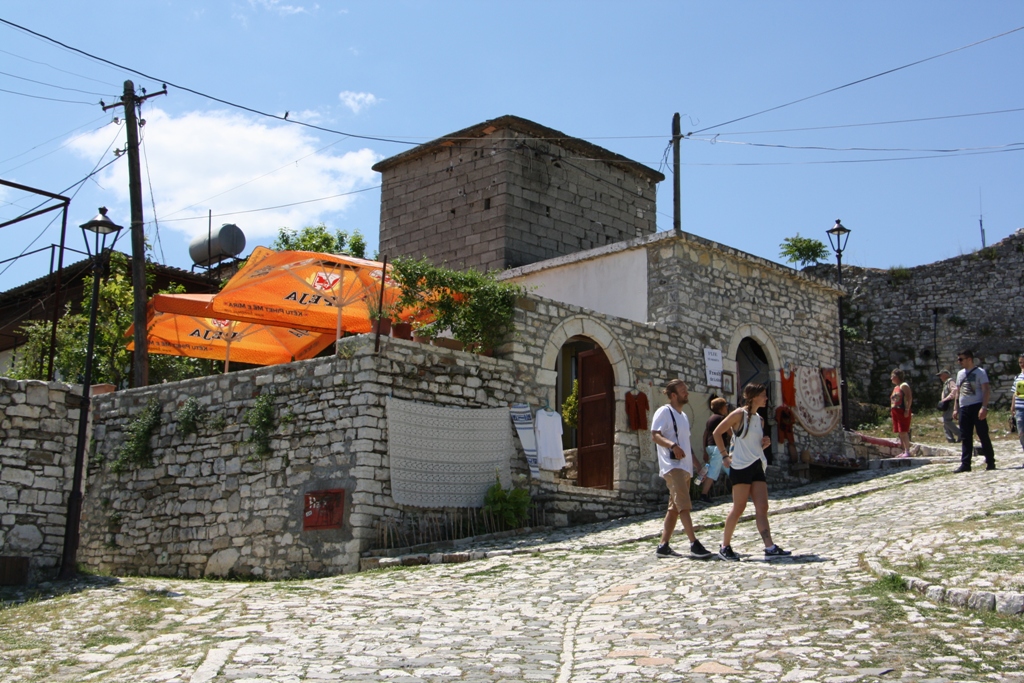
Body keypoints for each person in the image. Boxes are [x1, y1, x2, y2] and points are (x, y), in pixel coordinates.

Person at [713, 383, 791, 560]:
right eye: (763, 395)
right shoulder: (739, 414)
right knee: (738, 508)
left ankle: (769, 547)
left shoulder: (759, 419)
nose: (766, 398)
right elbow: (718, 432)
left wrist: (763, 444)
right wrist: (725, 456)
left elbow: (752, 442)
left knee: (762, 506)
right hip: (740, 466)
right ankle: (724, 546)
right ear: (754, 396)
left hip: (757, 465)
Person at [650, 379, 714, 559]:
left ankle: (663, 546)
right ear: (673, 395)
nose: (686, 393)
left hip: (685, 467)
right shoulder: (664, 411)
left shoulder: (684, 417)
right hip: (673, 467)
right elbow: (655, 435)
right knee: (684, 505)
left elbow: (686, 445)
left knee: (675, 508)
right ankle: (694, 544)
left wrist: (696, 464)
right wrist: (672, 446)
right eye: (683, 390)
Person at [952, 349, 995, 472]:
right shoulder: (960, 374)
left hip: (977, 406)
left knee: (982, 434)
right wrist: (956, 408)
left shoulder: (980, 372)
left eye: (961, 359)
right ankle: (965, 464)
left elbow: (986, 390)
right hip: (964, 408)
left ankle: (990, 461)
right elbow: (958, 392)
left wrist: (984, 407)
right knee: (965, 436)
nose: (959, 362)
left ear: (969, 359)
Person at [698, 397, 731, 503]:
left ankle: (743, 488)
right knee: (713, 471)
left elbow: (705, 435)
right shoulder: (722, 419)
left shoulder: (710, 419)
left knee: (730, 469)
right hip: (718, 448)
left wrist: (704, 450)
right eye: (726, 405)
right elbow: (731, 433)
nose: (727, 407)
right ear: (722, 407)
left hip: (710, 446)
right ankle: (703, 494)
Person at [889, 369, 913, 458]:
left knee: (903, 431)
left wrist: (907, 409)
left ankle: (907, 450)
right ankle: (903, 450)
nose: (891, 378)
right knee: (900, 431)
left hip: (902, 410)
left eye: (893, 376)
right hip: (895, 411)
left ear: (897, 376)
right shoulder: (896, 387)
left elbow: (909, 397)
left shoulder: (904, 385)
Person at [937, 369, 961, 443]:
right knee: (945, 421)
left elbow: (954, 391)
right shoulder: (946, 383)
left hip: (951, 404)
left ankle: (960, 434)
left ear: (945, 374)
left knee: (947, 420)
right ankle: (950, 439)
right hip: (947, 405)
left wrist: (946, 399)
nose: (940, 377)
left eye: (941, 375)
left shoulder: (950, 381)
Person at [1012, 353, 1024, 468]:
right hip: (1020, 408)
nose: (1022, 365)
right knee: (1021, 433)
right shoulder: (1017, 377)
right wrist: (1012, 407)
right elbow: (1015, 393)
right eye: (1020, 362)